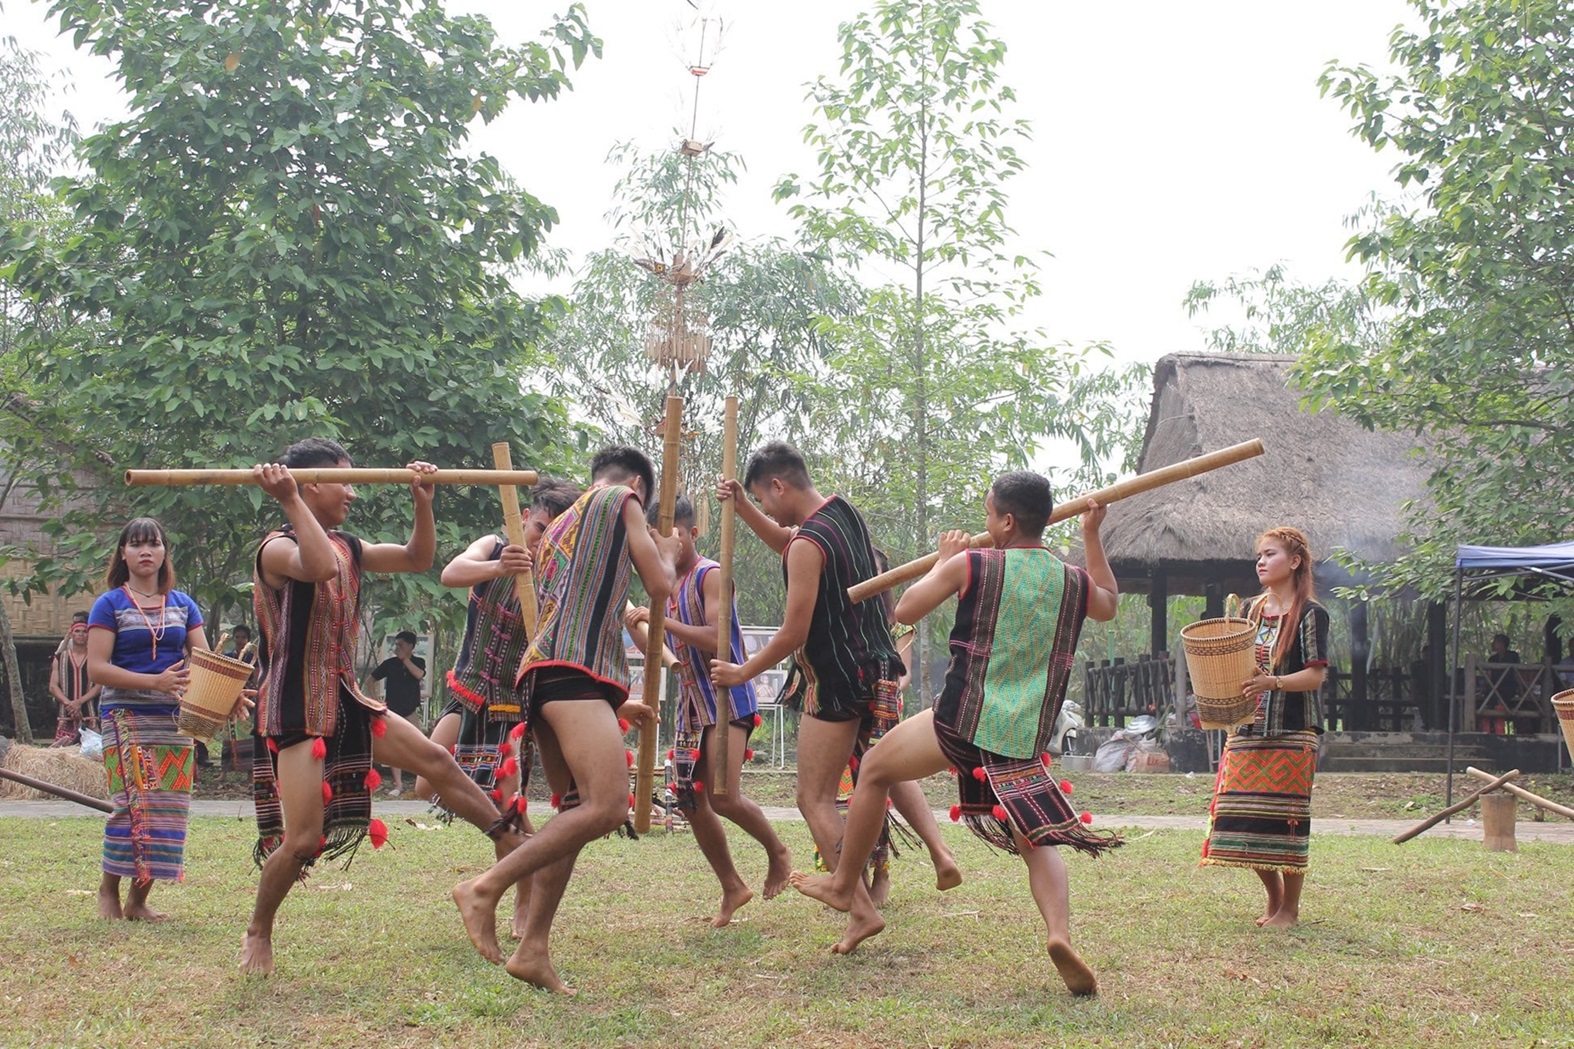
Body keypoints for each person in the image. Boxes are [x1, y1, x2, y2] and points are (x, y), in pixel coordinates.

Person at [792, 475, 1121, 995]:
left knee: (873, 769)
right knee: (1035, 839)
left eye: (989, 514)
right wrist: (1092, 535)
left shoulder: (973, 564)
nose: (985, 523)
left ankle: (842, 884)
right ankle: (1058, 933)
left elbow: (904, 611)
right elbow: (1109, 603)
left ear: (1007, 522)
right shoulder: (1073, 581)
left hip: (962, 720)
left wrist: (944, 560)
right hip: (1021, 734)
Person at [240, 438, 525, 976]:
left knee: (436, 760)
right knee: (303, 840)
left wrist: (423, 500)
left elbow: (418, 558)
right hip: (296, 707)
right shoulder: (276, 548)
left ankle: (507, 837)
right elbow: (317, 567)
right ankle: (259, 928)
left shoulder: (349, 544)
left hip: (346, 694)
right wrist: (288, 499)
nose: (353, 493)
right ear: (312, 485)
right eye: (344, 482)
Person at [452, 445, 679, 993]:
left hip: (546, 675)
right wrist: (667, 550)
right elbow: (660, 586)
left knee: (575, 811)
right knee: (608, 806)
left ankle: (533, 948)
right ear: (637, 489)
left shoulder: (561, 526)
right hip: (571, 672)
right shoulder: (620, 499)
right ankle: (485, 888)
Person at [709, 440, 905, 955]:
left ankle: (857, 905)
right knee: (873, 781)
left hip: (836, 679)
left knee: (812, 797)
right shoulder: (843, 514)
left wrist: (743, 672)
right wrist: (744, 506)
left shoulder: (807, 543)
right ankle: (862, 900)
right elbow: (789, 541)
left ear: (779, 485)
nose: (767, 508)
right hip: (875, 667)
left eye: (763, 498)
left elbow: (793, 633)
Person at [414, 477, 582, 938]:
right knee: (425, 782)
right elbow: (451, 573)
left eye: (555, 534)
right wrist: (499, 567)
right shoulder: (492, 546)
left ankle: (523, 903)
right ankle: (523, 843)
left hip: (512, 706)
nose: (542, 540)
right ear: (524, 517)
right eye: (539, 528)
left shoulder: (559, 579)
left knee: (510, 806)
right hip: (467, 691)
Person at [625, 492, 793, 927]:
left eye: (673, 536)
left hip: (726, 697)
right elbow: (657, 647)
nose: (665, 546)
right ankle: (732, 886)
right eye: (655, 539)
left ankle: (777, 851)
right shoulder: (662, 587)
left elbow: (715, 637)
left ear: (692, 533)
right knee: (689, 798)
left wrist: (659, 620)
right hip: (691, 704)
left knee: (723, 795)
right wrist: (640, 627)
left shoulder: (712, 575)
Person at [1200, 526, 1329, 929]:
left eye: (1270, 554)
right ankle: (1274, 897)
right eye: (1259, 555)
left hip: (1293, 729)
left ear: (1295, 562)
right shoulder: (1249, 610)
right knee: (1241, 816)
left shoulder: (1311, 614)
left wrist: (1272, 682)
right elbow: (1236, 666)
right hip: (1247, 728)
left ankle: (1290, 909)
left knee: (1287, 820)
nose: (1261, 561)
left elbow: (1315, 676)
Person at [85, 517, 212, 921]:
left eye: (153, 544)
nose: (145, 551)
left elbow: (205, 662)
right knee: (131, 804)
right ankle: (108, 890)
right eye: (136, 544)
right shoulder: (110, 604)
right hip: (125, 718)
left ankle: (138, 902)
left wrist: (226, 695)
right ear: (122, 553)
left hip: (174, 720)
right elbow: (97, 668)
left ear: (164, 552)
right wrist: (153, 682)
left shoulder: (183, 604)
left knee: (167, 807)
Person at [366, 629, 427, 795]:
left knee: (419, 747)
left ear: (411, 646)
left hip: (410, 712)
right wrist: (375, 701)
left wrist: (405, 659)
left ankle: (421, 785)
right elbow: (370, 681)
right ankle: (398, 785)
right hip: (392, 713)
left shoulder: (418, 661)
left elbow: (419, 675)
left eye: (401, 645)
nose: (397, 647)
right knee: (394, 749)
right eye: (396, 645)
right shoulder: (390, 664)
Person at [50, 611, 101, 747]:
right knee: (62, 754)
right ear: (71, 634)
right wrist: (70, 704)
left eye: (84, 631)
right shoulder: (60, 658)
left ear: (89, 635)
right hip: (66, 716)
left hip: (90, 715)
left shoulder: (95, 658)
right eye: (77, 631)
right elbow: (53, 686)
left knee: (93, 752)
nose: (80, 634)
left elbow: (99, 686)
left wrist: (79, 702)